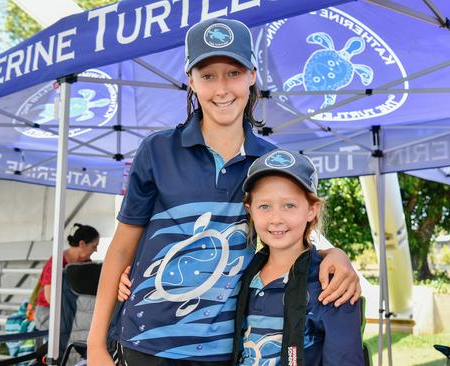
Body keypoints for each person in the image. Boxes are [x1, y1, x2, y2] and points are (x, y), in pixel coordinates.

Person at [88, 17, 361, 366]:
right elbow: (122, 247)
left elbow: (289, 229)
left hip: (225, 350)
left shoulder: (272, 160)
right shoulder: (156, 151)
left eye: (233, 73)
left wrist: (333, 254)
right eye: (208, 75)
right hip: (146, 344)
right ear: (191, 81)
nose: (221, 89)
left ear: (252, 76)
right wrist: (95, 346)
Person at [231, 148, 364, 365]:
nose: (276, 218)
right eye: (264, 206)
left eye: (289, 205)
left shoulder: (333, 285)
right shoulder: (242, 274)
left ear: (312, 209)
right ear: (250, 210)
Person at [34, 223, 99, 355]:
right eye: (94, 246)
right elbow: (50, 298)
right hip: (49, 313)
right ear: (82, 244)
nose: (95, 250)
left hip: (72, 310)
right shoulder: (56, 262)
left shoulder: (86, 265)